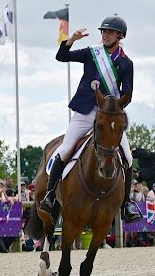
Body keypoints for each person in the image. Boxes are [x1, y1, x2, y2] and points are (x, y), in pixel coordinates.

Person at [39, 16, 142, 224]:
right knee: (65, 149)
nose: (105, 35)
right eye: (103, 32)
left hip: (108, 118)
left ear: (119, 36)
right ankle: (50, 194)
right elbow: (62, 56)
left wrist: (112, 111)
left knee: (128, 157)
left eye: (110, 32)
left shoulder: (126, 63)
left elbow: (127, 94)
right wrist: (72, 40)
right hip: (85, 113)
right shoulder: (92, 53)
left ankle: (127, 203)